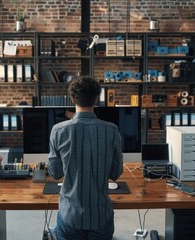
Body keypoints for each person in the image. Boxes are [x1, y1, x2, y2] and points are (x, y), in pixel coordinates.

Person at [48, 76, 123, 240]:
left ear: (72, 98)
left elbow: (54, 173)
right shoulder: (111, 130)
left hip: (70, 215)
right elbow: (116, 173)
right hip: (101, 215)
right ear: (96, 99)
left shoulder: (58, 130)